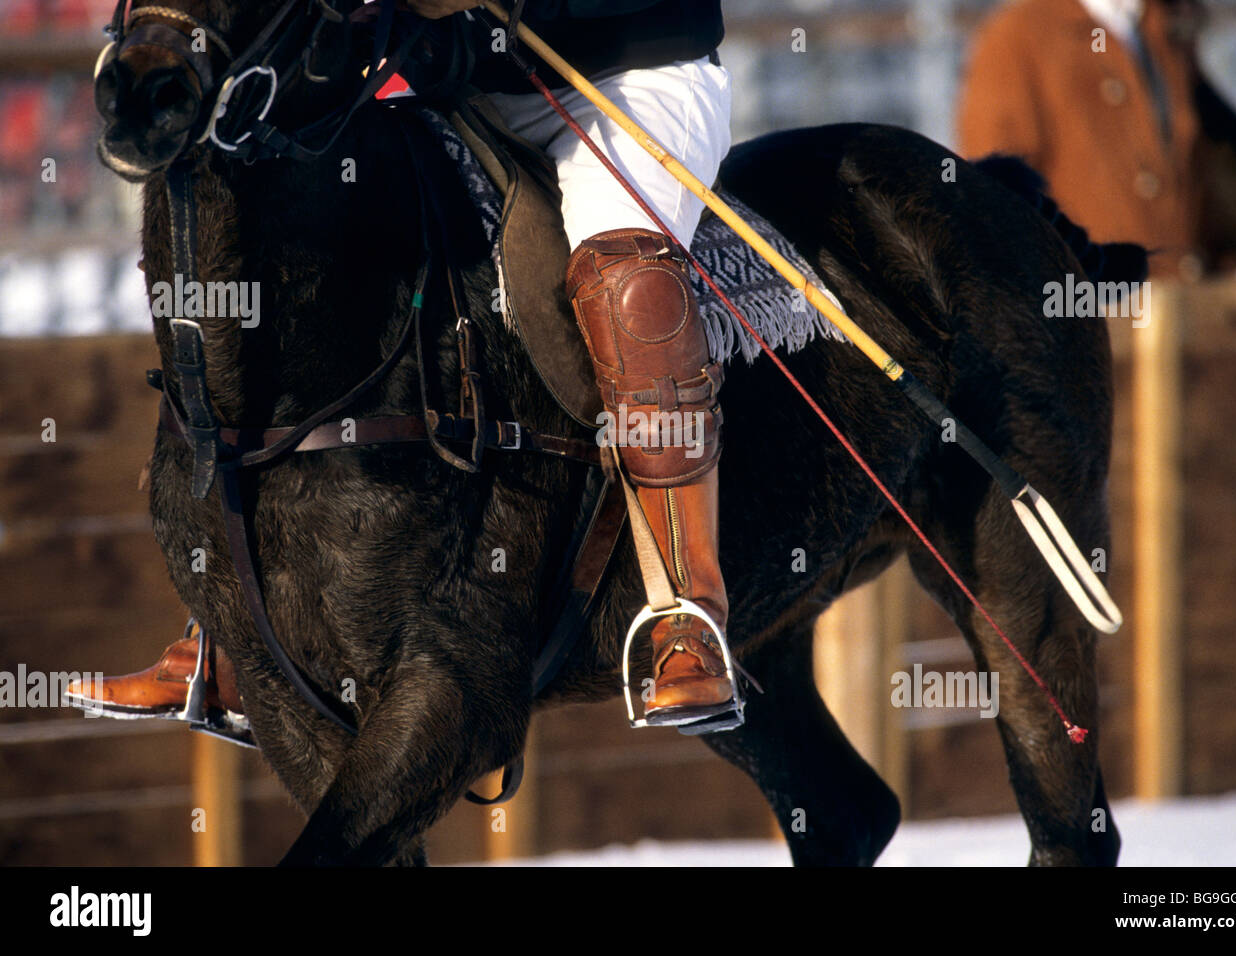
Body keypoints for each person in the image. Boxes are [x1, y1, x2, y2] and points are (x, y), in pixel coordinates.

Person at [69, 0, 740, 726]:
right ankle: (228, 634)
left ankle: (687, 611)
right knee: (294, 208)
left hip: (631, 78)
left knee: (626, 283)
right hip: (462, 86)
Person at [957, 0, 1236, 277]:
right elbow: (996, 204)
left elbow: (1212, 172)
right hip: (1088, 324)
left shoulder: (1165, 29)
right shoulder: (1018, 38)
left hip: (1180, 317)